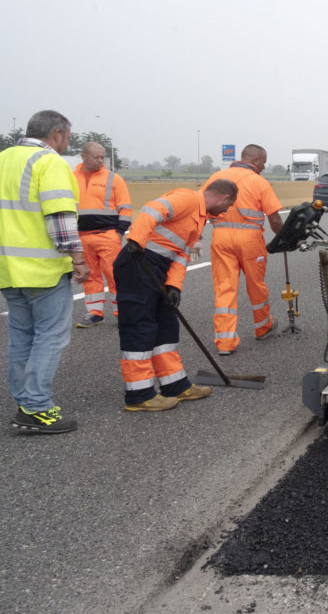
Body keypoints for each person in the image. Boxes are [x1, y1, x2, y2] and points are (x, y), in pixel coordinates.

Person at [113, 179, 238, 411]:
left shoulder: (200, 218)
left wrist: (174, 287)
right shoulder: (189, 198)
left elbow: (181, 254)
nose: (226, 211)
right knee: (140, 327)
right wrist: (136, 241)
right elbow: (152, 209)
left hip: (159, 269)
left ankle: (175, 385)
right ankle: (139, 394)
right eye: (228, 206)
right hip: (137, 262)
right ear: (225, 198)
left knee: (166, 326)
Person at [1, 110, 88, 433]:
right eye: (66, 137)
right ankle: (36, 407)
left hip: (7, 270)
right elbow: (61, 218)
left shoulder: (4, 158)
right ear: (57, 134)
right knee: (50, 337)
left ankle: (25, 401)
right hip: (43, 270)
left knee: (21, 338)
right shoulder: (49, 162)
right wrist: (78, 259)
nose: (65, 144)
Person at [203, 144, 284, 356]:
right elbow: (274, 218)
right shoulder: (259, 182)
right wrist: (285, 239)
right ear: (256, 160)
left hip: (220, 237)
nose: (264, 167)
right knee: (256, 285)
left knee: (224, 287)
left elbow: (200, 206)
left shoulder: (216, 178)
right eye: (264, 163)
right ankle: (263, 327)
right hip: (250, 240)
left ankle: (225, 342)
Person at [73, 141, 132, 327]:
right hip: (81, 236)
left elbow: (126, 208)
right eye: (96, 157)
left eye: (102, 157)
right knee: (89, 276)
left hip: (108, 235)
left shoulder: (114, 179)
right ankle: (94, 312)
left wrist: (118, 233)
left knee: (115, 274)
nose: (101, 161)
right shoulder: (70, 177)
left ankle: (121, 310)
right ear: (83, 156)